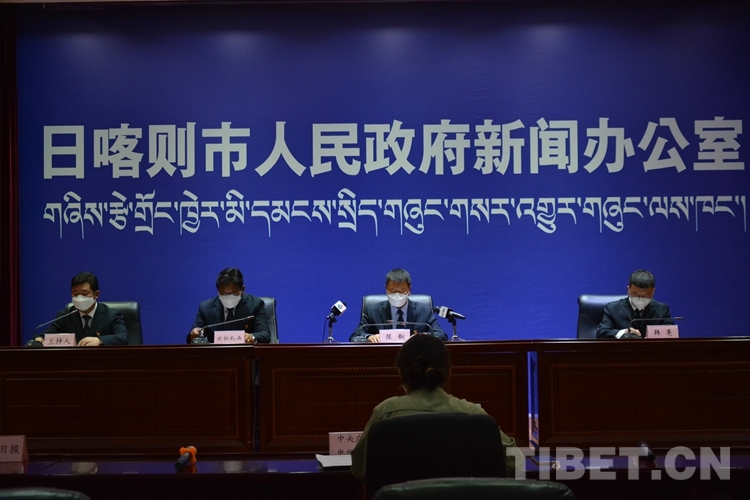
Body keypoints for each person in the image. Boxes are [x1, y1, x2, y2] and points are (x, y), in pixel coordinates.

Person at [350, 333, 521, 480]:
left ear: (400, 373)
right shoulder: (476, 415)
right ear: (449, 372)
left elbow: (359, 468)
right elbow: (516, 463)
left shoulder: (385, 413)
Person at [350, 268, 447, 342]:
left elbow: (441, 336)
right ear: (386, 289)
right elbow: (355, 337)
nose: (397, 295)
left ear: (409, 290)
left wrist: (422, 336)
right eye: (392, 291)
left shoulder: (424, 311)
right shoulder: (373, 311)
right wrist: (369, 337)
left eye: (401, 291)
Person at [35, 271, 128, 346]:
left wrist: (100, 340)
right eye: (75, 294)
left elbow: (123, 338)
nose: (79, 298)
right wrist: (40, 339)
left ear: (96, 294)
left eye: (84, 294)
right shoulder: (64, 316)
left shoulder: (111, 315)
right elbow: (44, 336)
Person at [186, 267, 271, 344]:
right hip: (216, 354)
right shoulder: (205, 307)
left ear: (242, 289)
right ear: (218, 291)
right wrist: (194, 334)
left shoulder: (255, 305)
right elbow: (195, 333)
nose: (228, 298)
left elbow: (265, 334)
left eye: (233, 294)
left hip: (244, 354)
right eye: (223, 294)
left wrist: (252, 337)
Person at [597, 269, 674, 339]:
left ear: (653, 291)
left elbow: (671, 334)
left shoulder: (662, 309)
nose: (640, 299)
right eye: (636, 295)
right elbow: (601, 333)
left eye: (645, 295)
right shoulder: (612, 308)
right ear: (628, 290)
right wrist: (623, 333)